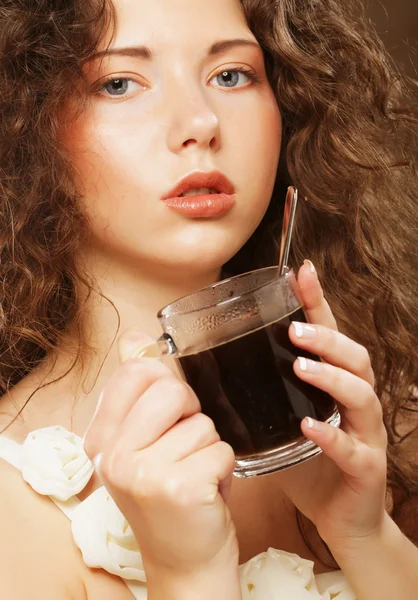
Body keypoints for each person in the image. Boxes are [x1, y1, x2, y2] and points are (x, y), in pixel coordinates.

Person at [0, 0, 417, 598]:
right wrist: (188, 575)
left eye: (231, 75)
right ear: (26, 126)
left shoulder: (390, 421)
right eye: (120, 83)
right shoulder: (12, 505)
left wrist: (364, 534)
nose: (200, 121)